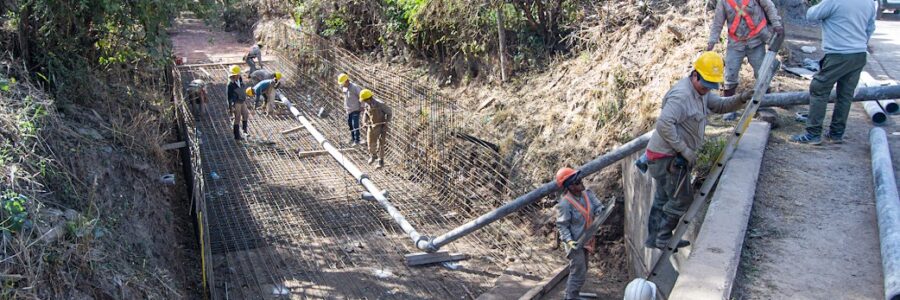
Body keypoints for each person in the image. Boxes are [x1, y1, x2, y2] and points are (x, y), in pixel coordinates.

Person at [643, 52, 752, 250]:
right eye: (705, 84)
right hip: (666, 158)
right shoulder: (682, 96)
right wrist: (684, 150)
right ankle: (663, 238)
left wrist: (741, 99)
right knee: (682, 199)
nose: (707, 89)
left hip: (666, 156)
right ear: (695, 75)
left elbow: (719, 105)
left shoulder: (701, 92)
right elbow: (664, 124)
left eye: (712, 85)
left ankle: (653, 238)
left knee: (662, 198)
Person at [791, 0, 876, 145]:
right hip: (859, 54)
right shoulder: (869, 2)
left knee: (819, 89)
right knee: (845, 95)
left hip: (838, 54)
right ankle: (836, 133)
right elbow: (870, 28)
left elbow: (811, 14)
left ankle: (813, 133)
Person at [707, 0, 783, 120]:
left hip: (756, 41)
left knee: (762, 74)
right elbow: (718, 22)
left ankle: (764, 105)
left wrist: (776, 24)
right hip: (736, 43)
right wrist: (712, 41)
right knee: (730, 77)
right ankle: (728, 109)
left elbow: (769, 6)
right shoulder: (724, 2)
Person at [555, 167, 605, 300]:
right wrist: (569, 241)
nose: (581, 183)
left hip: (586, 239)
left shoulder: (587, 193)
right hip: (575, 243)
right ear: (570, 187)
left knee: (584, 268)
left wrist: (602, 211)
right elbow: (562, 225)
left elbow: (598, 206)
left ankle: (574, 294)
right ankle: (570, 297)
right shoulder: (565, 204)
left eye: (580, 179)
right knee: (578, 271)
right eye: (577, 182)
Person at [360, 89, 391, 169]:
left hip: (381, 127)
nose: (364, 102)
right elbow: (365, 114)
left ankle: (381, 161)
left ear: (369, 99)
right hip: (371, 127)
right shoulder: (367, 104)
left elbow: (389, 113)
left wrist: (386, 122)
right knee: (370, 144)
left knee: (381, 145)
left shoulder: (380, 104)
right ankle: (373, 155)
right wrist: (364, 122)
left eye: (364, 100)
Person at [338, 73, 363, 145]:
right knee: (350, 124)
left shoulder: (355, 87)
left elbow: (361, 96)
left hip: (355, 109)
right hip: (348, 109)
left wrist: (362, 106)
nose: (342, 85)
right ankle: (352, 138)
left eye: (342, 83)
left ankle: (357, 140)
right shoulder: (345, 87)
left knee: (355, 124)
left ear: (346, 81)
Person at [226, 65, 249, 140]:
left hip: (242, 100)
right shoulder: (230, 84)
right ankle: (237, 136)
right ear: (234, 75)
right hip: (236, 102)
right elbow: (229, 97)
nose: (239, 75)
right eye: (238, 74)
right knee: (237, 118)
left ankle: (244, 131)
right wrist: (230, 107)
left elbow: (242, 88)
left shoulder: (240, 79)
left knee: (245, 114)